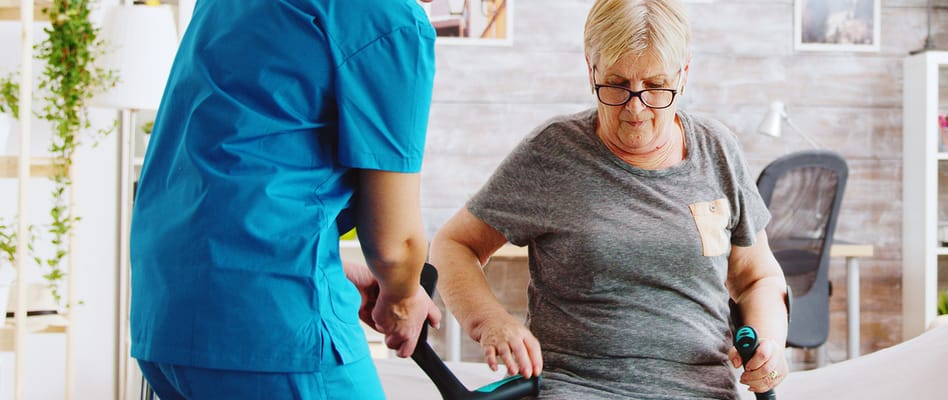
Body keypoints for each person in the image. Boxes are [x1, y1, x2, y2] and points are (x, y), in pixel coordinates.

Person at [428, 0, 791, 398]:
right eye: (617, 85)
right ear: (591, 69)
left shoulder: (717, 150)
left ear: (683, 74)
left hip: (701, 390)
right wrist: (490, 321)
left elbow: (757, 277)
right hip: (578, 387)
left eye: (655, 86)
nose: (636, 108)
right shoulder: (553, 152)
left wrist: (769, 343)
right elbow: (453, 245)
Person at [129, 0, 439, 398]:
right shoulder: (386, 16)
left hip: (168, 318)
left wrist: (334, 267)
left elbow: (228, 167)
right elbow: (397, 247)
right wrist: (400, 298)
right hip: (273, 330)